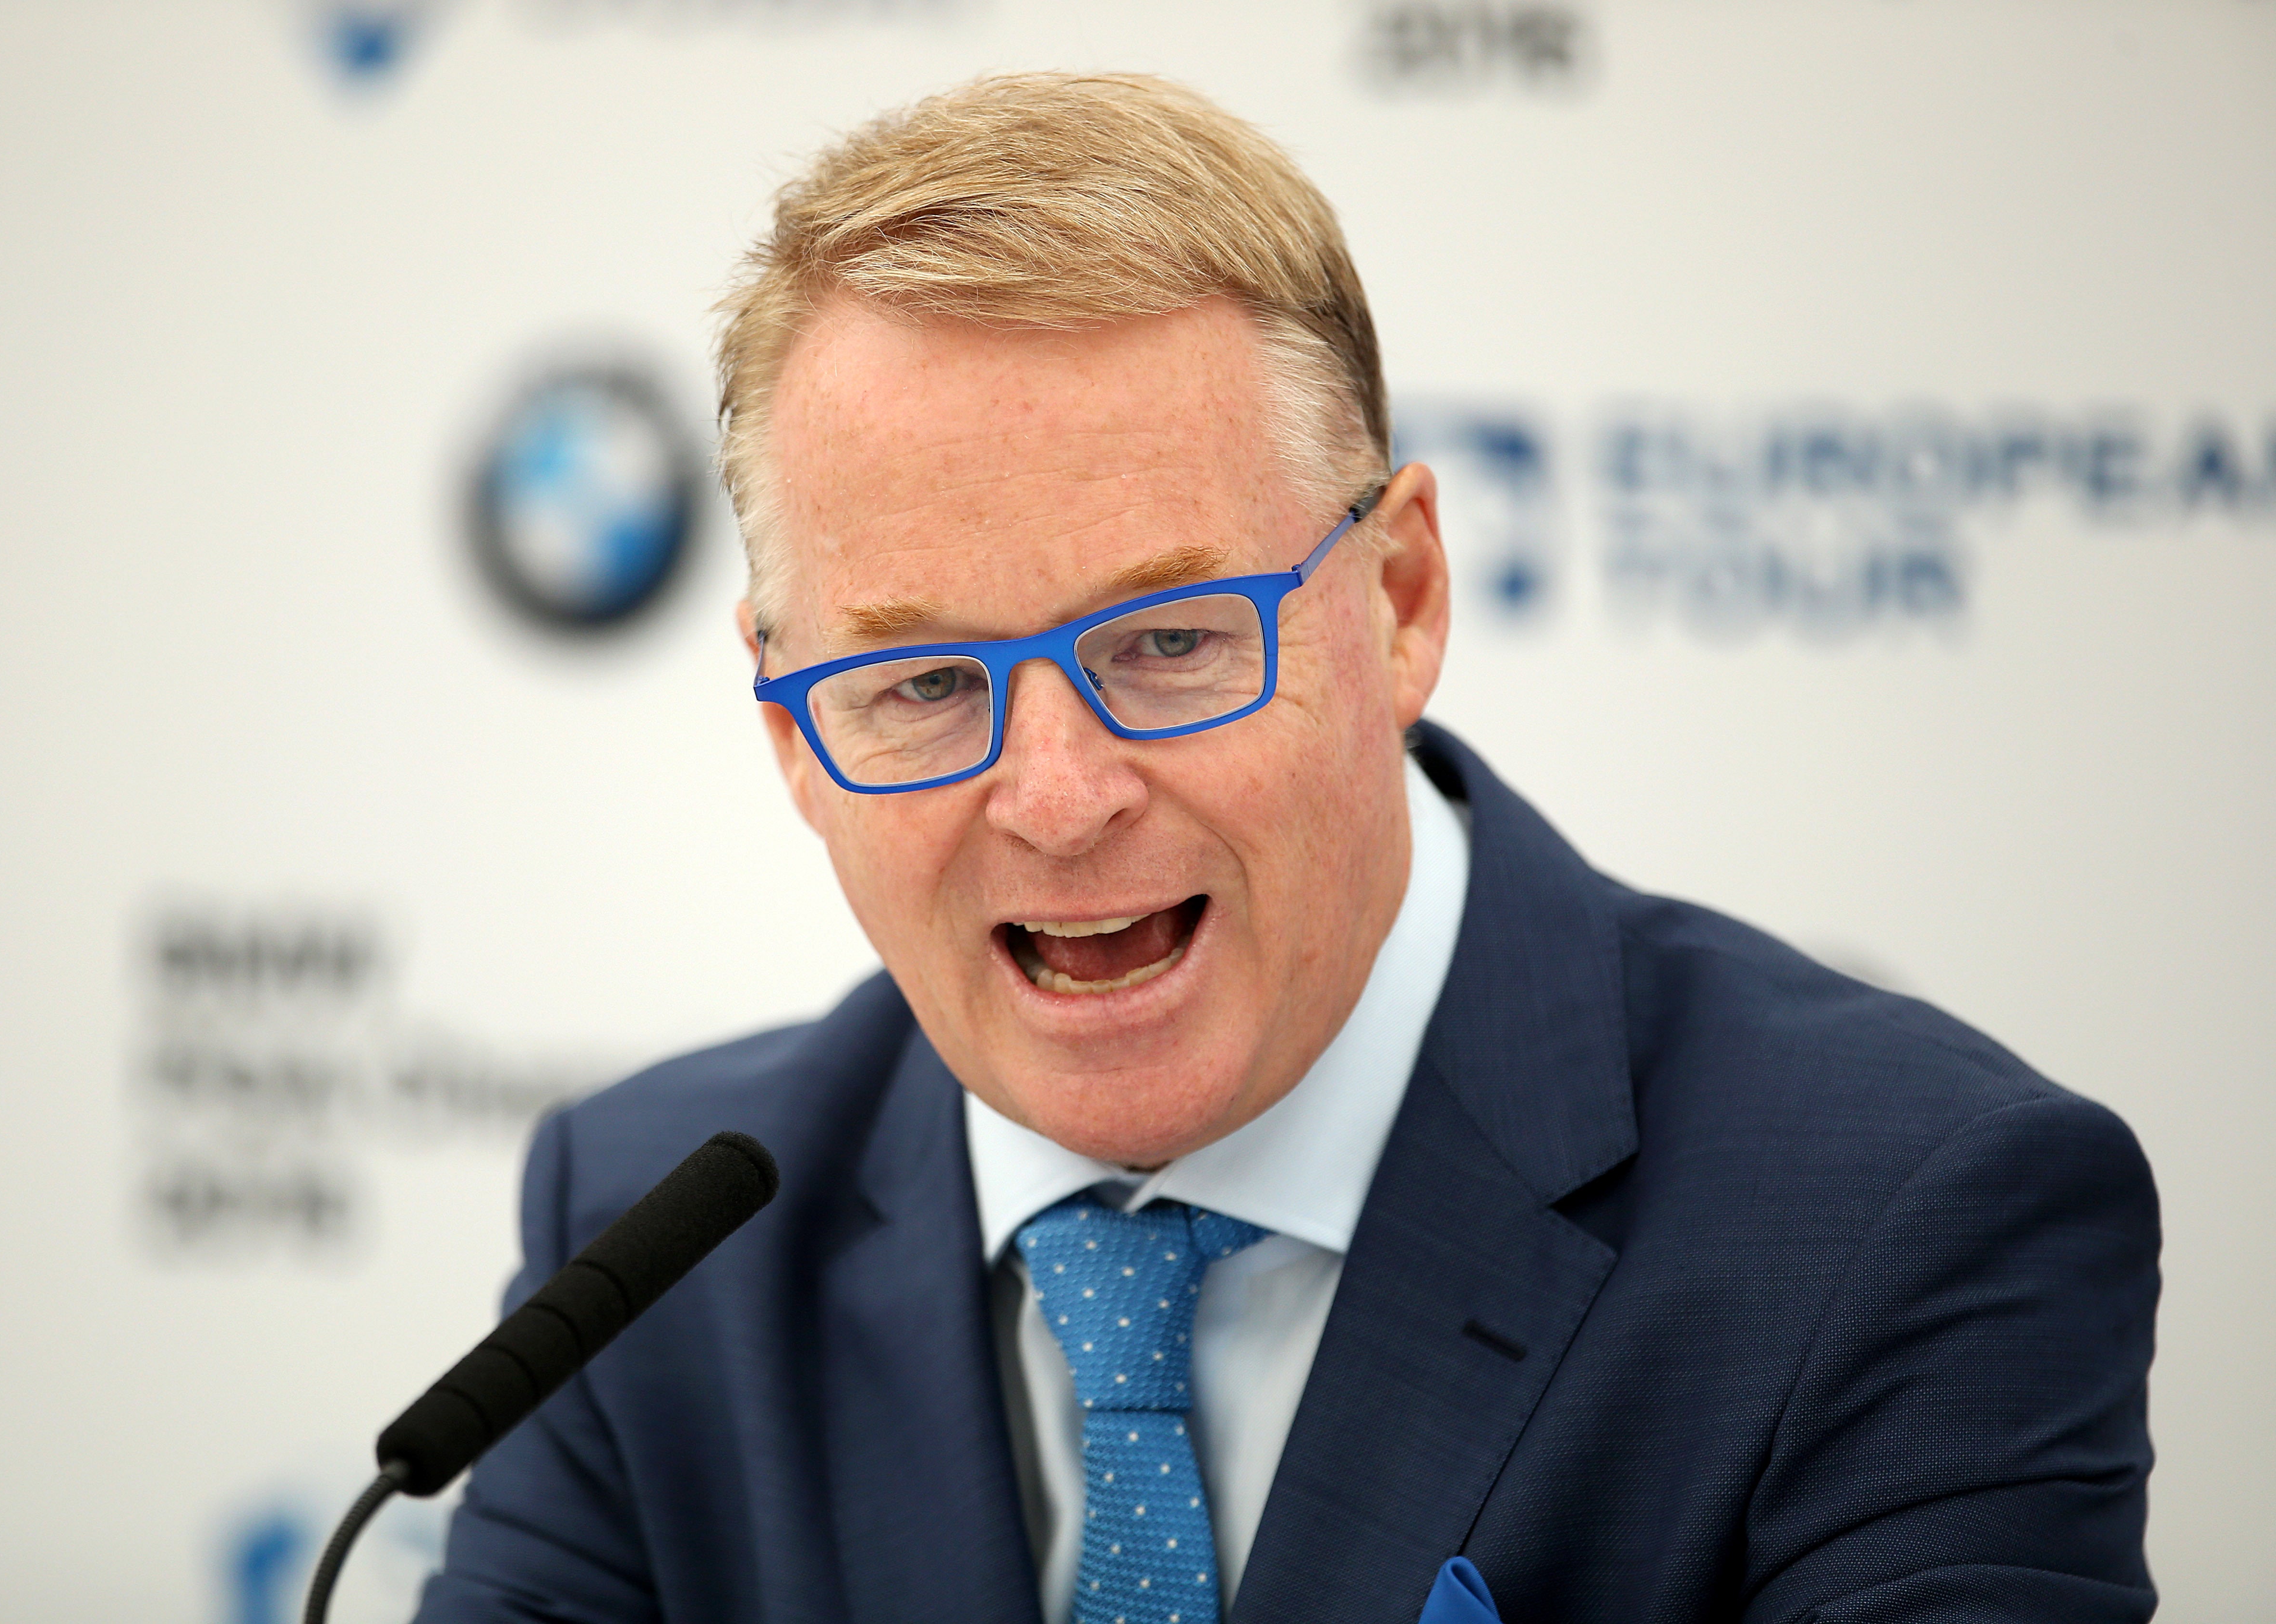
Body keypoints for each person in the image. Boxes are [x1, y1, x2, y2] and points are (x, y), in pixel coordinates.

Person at [414, 73, 2157, 1624]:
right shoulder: (643, 1247)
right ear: (794, 725)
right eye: (925, 680)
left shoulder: (1902, 1217)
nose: (1057, 795)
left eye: (1168, 641)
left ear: (1396, 602)